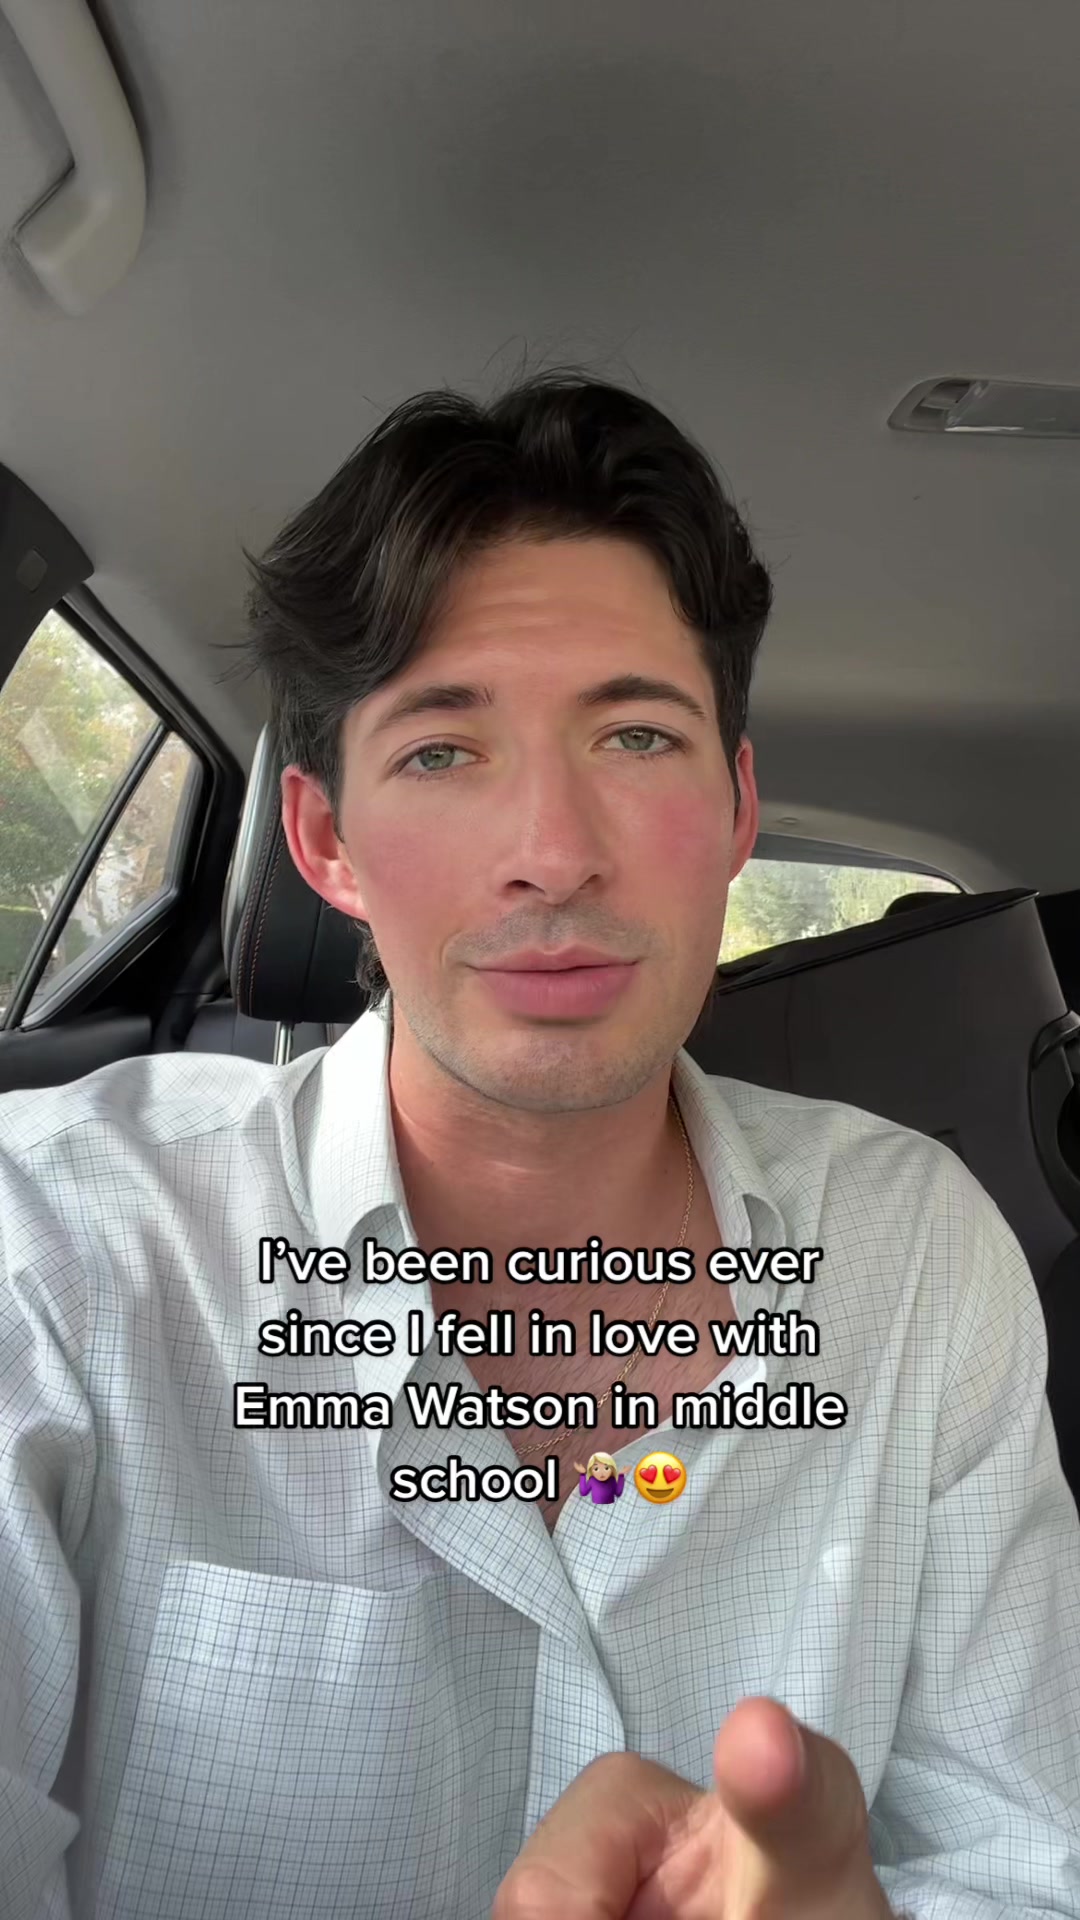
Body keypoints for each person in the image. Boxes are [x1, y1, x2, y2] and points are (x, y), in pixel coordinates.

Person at [0, 371, 1077, 1920]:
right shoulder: (57, 1248)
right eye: (443, 753)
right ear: (326, 842)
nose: (554, 855)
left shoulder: (919, 1259)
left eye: (636, 736)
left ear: (735, 808)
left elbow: (1026, 1863)